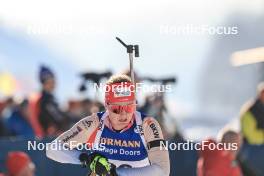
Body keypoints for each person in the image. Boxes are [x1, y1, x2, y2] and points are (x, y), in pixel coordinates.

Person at [46, 74, 170, 176]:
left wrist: (118, 173)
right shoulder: (94, 123)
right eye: (116, 108)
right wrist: (86, 158)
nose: (123, 114)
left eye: (129, 107)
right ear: (106, 105)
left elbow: (162, 171)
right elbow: (52, 149)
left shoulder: (147, 125)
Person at [38, 65, 69, 136]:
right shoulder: (45, 100)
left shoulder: (50, 98)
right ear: (45, 83)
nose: (54, 84)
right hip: (49, 139)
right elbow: (58, 118)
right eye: (52, 81)